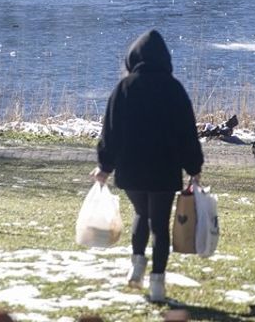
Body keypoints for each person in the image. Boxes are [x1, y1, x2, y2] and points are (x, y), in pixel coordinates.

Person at [93, 30, 204, 304]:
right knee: (160, 225)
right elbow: (186, 132)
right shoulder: (174, 88)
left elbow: (110, 131)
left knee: (142, 213)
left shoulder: (124, 88)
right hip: (165, 169)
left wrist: (105, 166)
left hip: (131, 169)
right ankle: (157, 284)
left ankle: (137, 264)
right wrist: (194, 166)